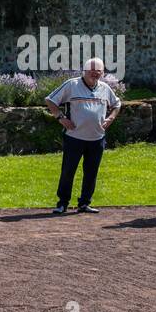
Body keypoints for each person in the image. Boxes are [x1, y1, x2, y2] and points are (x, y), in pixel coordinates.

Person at [44, 57, 121, 215]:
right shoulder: (72, 85)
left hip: (97, 138)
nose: (94, 74)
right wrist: (61, 118)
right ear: (84, 72)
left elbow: (117, 104)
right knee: (68, 171)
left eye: (98, 71)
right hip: (74, 137)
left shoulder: (105, 88)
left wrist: (111, 118)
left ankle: (84, 203)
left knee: (91, 172)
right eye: (91, 71)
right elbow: (50, 100)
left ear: (102, 72)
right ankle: (62, 203)